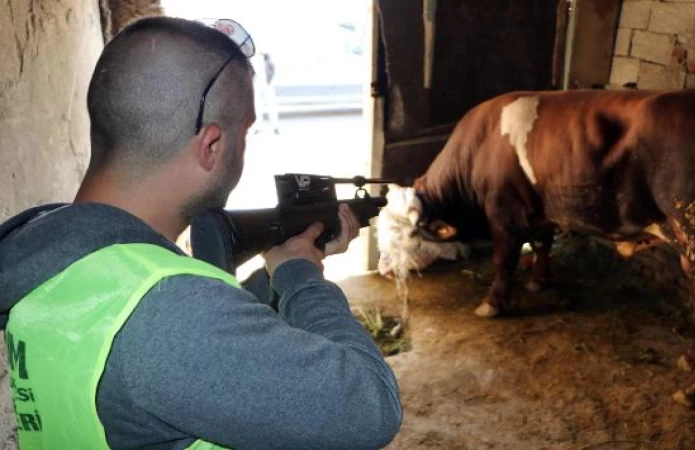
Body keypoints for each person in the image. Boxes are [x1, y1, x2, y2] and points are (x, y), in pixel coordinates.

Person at [0, 16, 402, 450]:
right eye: (245, 132)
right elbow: (368, 410)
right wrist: (304, 280)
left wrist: (280, 266)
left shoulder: (63, 259)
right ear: (211, 145)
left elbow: (202, 338)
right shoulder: (167, 311)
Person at [252, 51, 281, 135]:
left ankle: (275, 127)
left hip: (267, 84)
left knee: (271, 105)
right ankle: (258, 127)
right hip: (257, 84)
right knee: (257, 106)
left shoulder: (267, 56)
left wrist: (270, 80)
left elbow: (272, 69)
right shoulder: (252, 58)